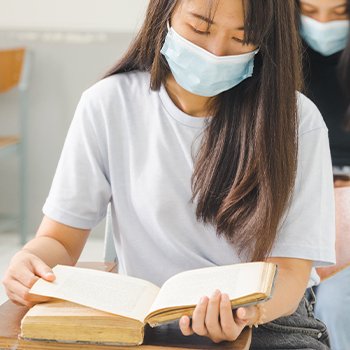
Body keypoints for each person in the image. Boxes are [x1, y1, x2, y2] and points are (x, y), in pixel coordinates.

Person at [3, 0, 335, 348]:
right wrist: (31, 263)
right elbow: (59, 241)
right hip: (143, 324)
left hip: (263, 321)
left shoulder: (297, 122)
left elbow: (292, 274)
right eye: (200, 28)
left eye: (242, 38)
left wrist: (244, 314)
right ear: (166, 13)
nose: (215, 52)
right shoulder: (107, 104)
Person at [298, 0, 350, 349]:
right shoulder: (269, 61)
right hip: (296, 196)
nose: (323, 23)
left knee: (336, 304)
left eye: (339, 11)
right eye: (310, 9)